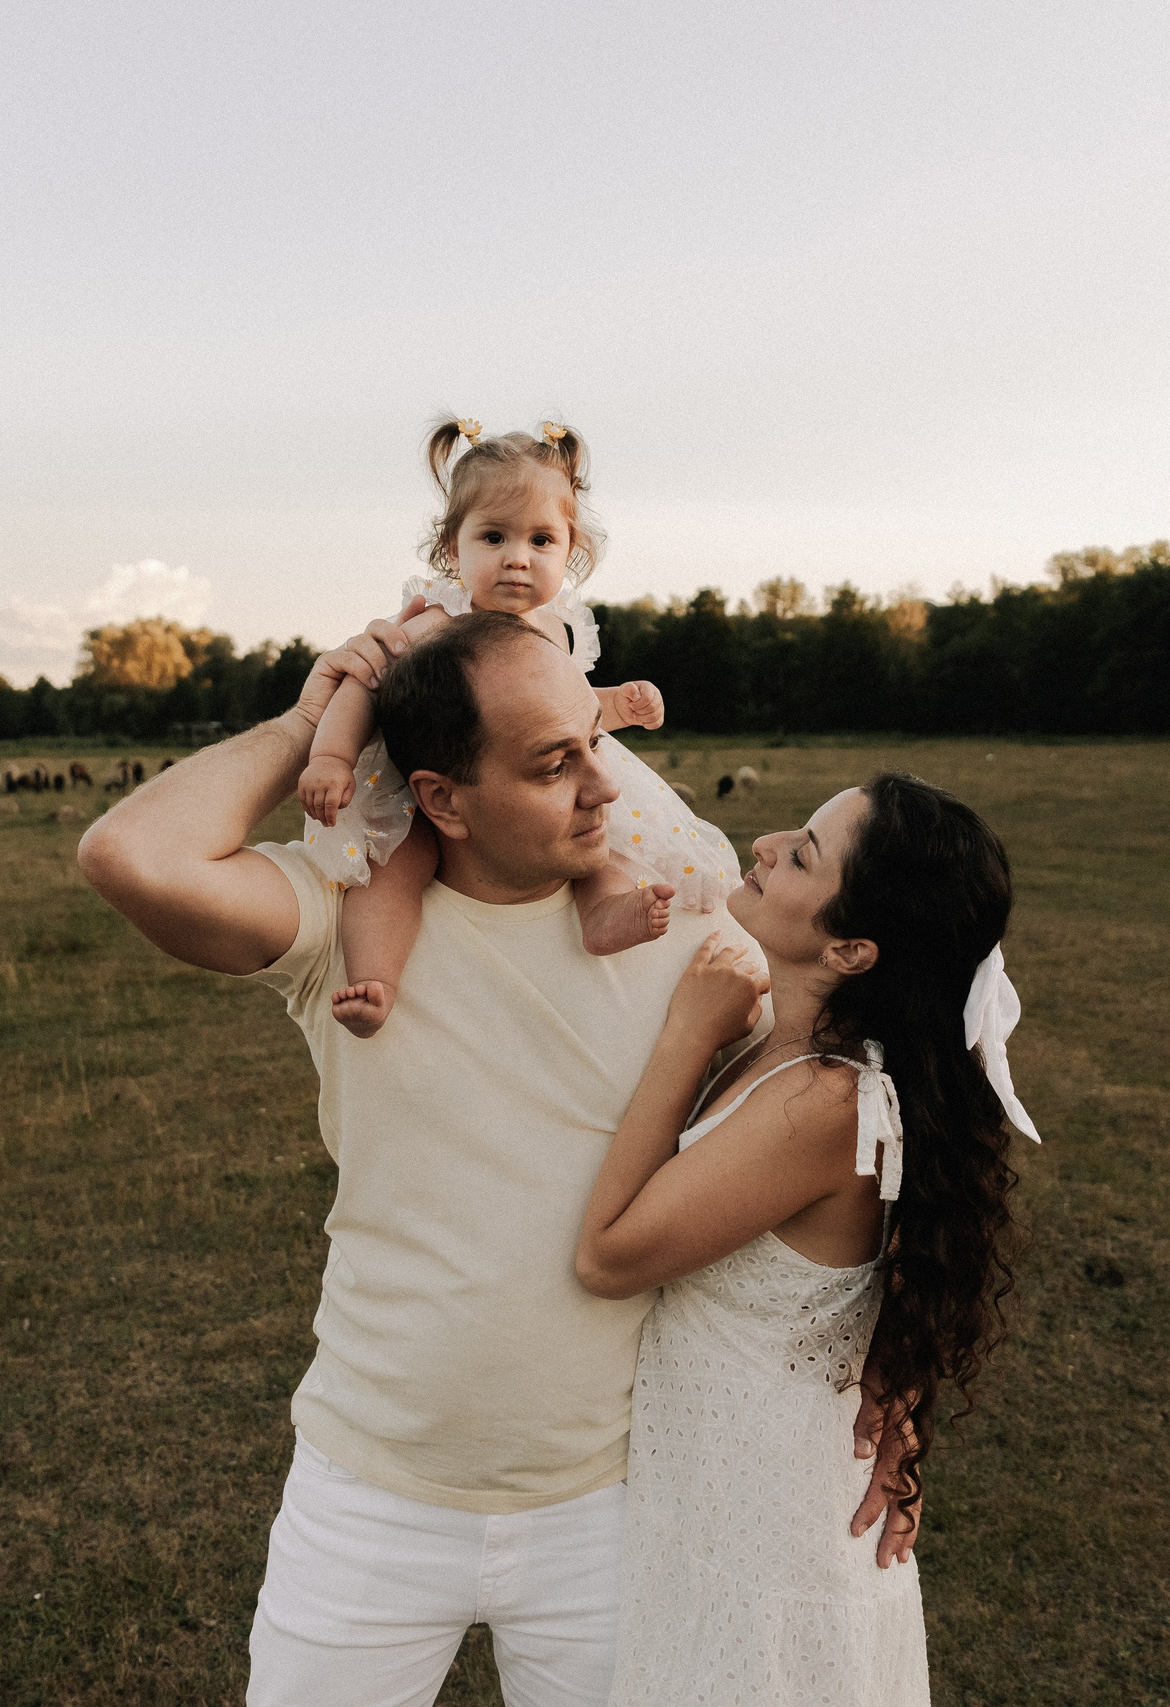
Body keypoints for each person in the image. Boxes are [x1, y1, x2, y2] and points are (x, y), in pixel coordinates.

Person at [75, 607, 920, 1706]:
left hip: (612, 1508)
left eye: (592, 746)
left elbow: (856, 1142)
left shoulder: (695, 940)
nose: (603, 789)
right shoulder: (347, 924)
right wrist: (311, 720)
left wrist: (894, 1367)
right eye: (550, 763)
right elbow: (126, 854)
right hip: (369, 1497)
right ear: (439, 798)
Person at [576, 773, 1040, 1706]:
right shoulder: (779, 1047)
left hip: (762, 1541)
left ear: (853, 948)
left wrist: (683, 1038)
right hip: (721, 1505)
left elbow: (608, 1256)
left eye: (804, 854)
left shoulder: (827, 1102)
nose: (765, 841)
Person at [296, 418, 735, 1038]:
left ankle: (605, 912)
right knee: (397, 867)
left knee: (599, 845)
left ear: (570, 549)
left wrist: (619, 704)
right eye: (494, 537)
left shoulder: (558, 629)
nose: (517, 559)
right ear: (454, 547)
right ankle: (376, 977)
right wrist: (332, 758)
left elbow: (569, 719)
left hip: (537, 780)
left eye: (541, 541)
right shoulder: (437, 621)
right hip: (421, 779)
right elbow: (362, 681)